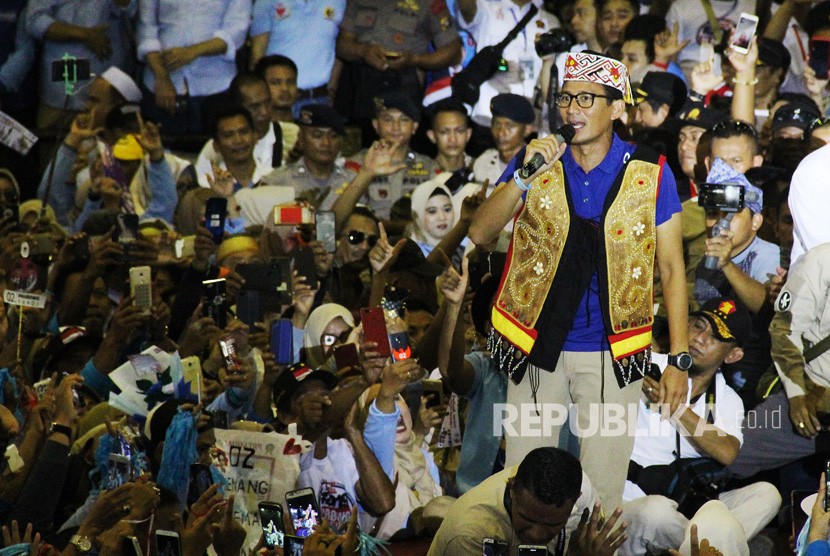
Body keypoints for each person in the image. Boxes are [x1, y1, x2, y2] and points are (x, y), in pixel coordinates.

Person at [469, 50, 688, 509]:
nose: (572, 109)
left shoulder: (651, 172)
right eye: (566, 98)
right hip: (534, 343)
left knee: (602, 492)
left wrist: (678, 359)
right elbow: (480, 233)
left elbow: (671, 268)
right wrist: (524, 177)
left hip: (614, 348)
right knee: (525, 483)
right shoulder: (537, 160)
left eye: (587, 98)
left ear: (618, 108)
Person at [621, 297, 781, 555]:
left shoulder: (728, 399)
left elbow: (728, 452)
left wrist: (676, 409)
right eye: (699, 326)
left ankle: (711, 543)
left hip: (687, 506)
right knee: (657, 513)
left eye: (716, 336)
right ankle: (727, 545)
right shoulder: (653, 365)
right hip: (635, 500)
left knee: (768, 494)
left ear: (733, 355)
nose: (700, 338)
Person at [728, 242, 830, 479]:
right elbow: (784, 329)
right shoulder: (822, 260)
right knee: (729, 457)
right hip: (812, 401)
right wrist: (796, 394)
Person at [428, 447, 624, 555]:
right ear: (512, 487)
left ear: (575, 501)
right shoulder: (470, 534)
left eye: (552, 524)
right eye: (527, 519)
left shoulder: (581, 492)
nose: (537, 534)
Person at [335, 0, 461, 142]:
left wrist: (416, 60)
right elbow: (342, 45)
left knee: (402, 153)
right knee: (360, 156)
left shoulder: (429, 2)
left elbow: (453, 51)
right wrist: (363, 51)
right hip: (361, 91)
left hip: (404, 89)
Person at [137, 0, 252, 135]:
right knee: (162, 148)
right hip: (161, 86)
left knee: (216, 150)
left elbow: (236, 31)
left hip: (216, 85)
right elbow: (145, 30)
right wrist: (161, 77)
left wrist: (191, 52)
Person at [27, 0, 136, 130]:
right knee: (53, 144)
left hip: (106, 83)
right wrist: (85, 34)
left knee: (109, 144)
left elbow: (134, 12)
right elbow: (34, 21)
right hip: (61, 88)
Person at [456, 0, 560, 126]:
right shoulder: (486, 8)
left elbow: (555, 70)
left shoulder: (550, 21)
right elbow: (466, 8)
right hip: (489, 116)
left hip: (529, 119)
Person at [337, 93, 438, 221]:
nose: (396, 127)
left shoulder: (429, 167)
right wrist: (366, 174)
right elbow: (331, 223)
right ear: (375, 125)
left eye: (404, 120)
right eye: (388, 119)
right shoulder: (355, 165)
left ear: (415, 127)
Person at [249, 0, 343, 117]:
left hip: (321, 99)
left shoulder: (339, 2)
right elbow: (257, 56)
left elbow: (340, 47)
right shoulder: (266, 2)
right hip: (277, 102)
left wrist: (331, 92)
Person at [260, 104, 355, 210]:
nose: (326, 143)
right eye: (317, 135)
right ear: (301, 139)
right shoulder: (278, 182)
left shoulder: (354, 182)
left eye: (333, 136)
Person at [195, 72, 280, 188]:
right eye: (255, 106)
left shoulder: (275, 178)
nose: (264, 112)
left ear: (255, 137)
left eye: (267, 102)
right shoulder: (207, 182)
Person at [472, 93, 535, 189]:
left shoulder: (536, 166)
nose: (501, 133)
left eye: (509, 126)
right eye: (497, 125)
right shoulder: (482, 163)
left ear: (527, 129)